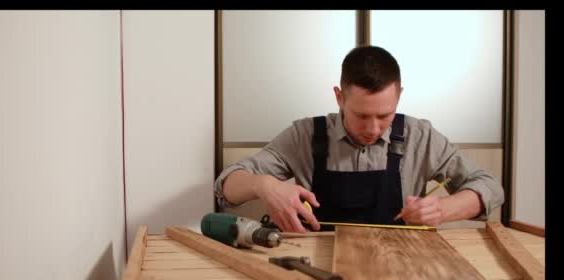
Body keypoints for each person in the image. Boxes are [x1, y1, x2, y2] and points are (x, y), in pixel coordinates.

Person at [214, 45, 505, 233]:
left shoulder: (420, 135)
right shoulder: (305, 135)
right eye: (362, 116)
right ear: (339, 97)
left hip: (404, 265)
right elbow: (225, 187)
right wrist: (265, 185)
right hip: (315, 268)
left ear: (399, 96)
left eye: (385, 115)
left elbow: (490, 186)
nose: (375, 128)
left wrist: (441, 209)